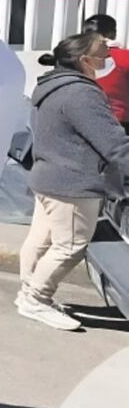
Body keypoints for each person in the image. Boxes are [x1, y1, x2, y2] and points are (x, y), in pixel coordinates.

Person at [19, 32, 129, 330]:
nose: (108, 58)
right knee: (70, 246)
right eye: (103, 53)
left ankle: (28, 292)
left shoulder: (50, 85)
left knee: (41, 240)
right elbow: (113, 142)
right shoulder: (81, 94)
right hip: (72, 182)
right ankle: (36, 299)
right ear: (84, 60)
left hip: (49, 176)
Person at [82, 13, 129, 131]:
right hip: (119, 121)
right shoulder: (124, 57)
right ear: (112, 34)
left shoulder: (75, 57)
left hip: (83, 118)